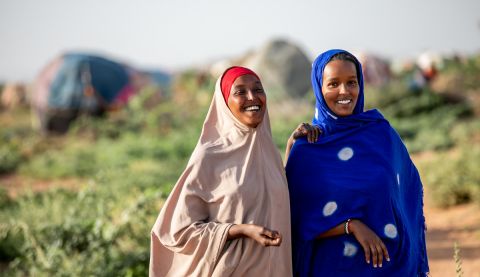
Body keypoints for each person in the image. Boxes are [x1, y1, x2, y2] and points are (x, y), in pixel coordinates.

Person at [285, 49, 429, 276]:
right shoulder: (309, 147)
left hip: (389, 267)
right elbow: (297, 220)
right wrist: (351, 225)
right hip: (333, 267)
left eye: (351, 82)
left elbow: (406, 192)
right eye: (333, 84)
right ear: (319, 89)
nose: (344, 91)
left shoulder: (381, 135)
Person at [149, 66, 293, 276]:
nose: (252, 97)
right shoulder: (209, 156)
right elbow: (177, 232)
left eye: (258, 89)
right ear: (225, 102)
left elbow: (273, 203)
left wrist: (293, 148)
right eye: (240, 92)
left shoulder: (268, 150)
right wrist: (238, 230)